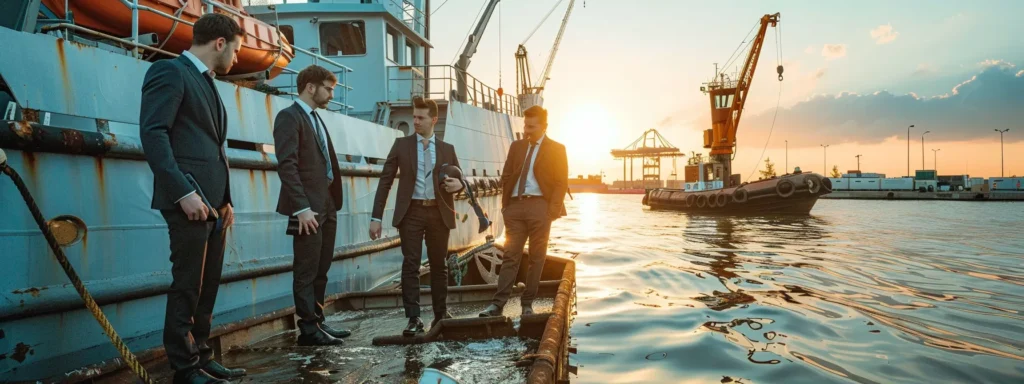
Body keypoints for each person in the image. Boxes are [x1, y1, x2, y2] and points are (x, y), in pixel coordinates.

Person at [139, 13, 246, 384]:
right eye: (235, 50)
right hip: (187, 201)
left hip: (214, 206)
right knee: (187, 284)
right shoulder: (169, 72)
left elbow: (212, 147)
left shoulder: (207, 82)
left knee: (208, 284)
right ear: (220, 43)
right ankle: (184, 369)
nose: (236, 59)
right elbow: (154, 135)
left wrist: (226, 199)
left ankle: (200, 355)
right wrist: (182, 192)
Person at [369, 96, 464, 336]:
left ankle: (441, 315)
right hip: (410, 212)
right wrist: (376, 217)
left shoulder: (448, 149)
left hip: (438, 212)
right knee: (410, 265)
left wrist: (459, 186)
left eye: (421, 118)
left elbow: (459, 179)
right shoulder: (401, 146)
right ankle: (413, 318)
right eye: (414, 117)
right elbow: (385, 181)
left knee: (439, 265)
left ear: (434, 119)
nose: (416, 122)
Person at [273, 65, 351, 346]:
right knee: (306, 269)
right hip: (306, 209)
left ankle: (318, 322)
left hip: (327, 203)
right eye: (328, 89)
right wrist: (301, 208)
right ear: (310, 87)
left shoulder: (316, 118)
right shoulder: (288, 118)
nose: (331, 94)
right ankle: (308, 329)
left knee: (322, 266)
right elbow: (287, 165)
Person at [479, 105, 568, 318]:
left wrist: (552, 211)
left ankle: (527, 304)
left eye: (532, 126)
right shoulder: (516, 146)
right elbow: (507, 175)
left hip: (541, 207)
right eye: (526, 125)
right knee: (510, 256)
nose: (527, 130)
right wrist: (506, 206)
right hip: (515, 207)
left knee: (537, 258)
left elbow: (560, 182)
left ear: (544, 126)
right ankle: (497, 305)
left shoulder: (557, 149)